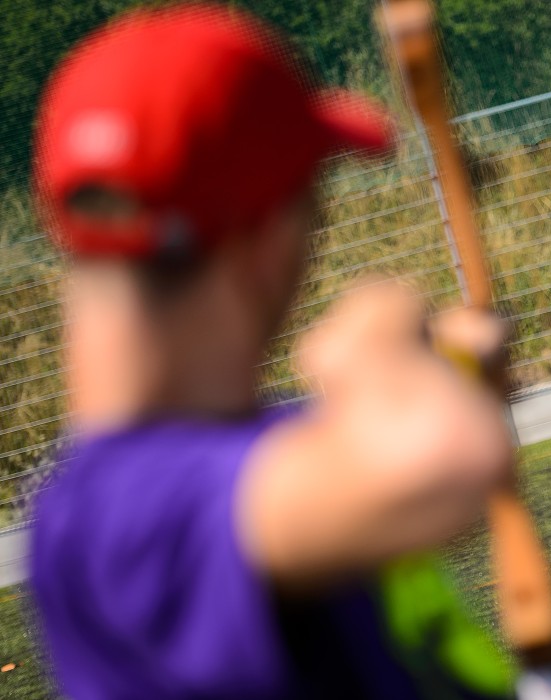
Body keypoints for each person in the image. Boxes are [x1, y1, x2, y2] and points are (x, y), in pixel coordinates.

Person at [29, 4, 520, 698]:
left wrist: (434, 374)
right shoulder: (117, 516)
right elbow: (438, 461)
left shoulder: (211, 466)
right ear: (267, 235)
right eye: (313, 207)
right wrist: (376, 338)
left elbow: (333, 455)